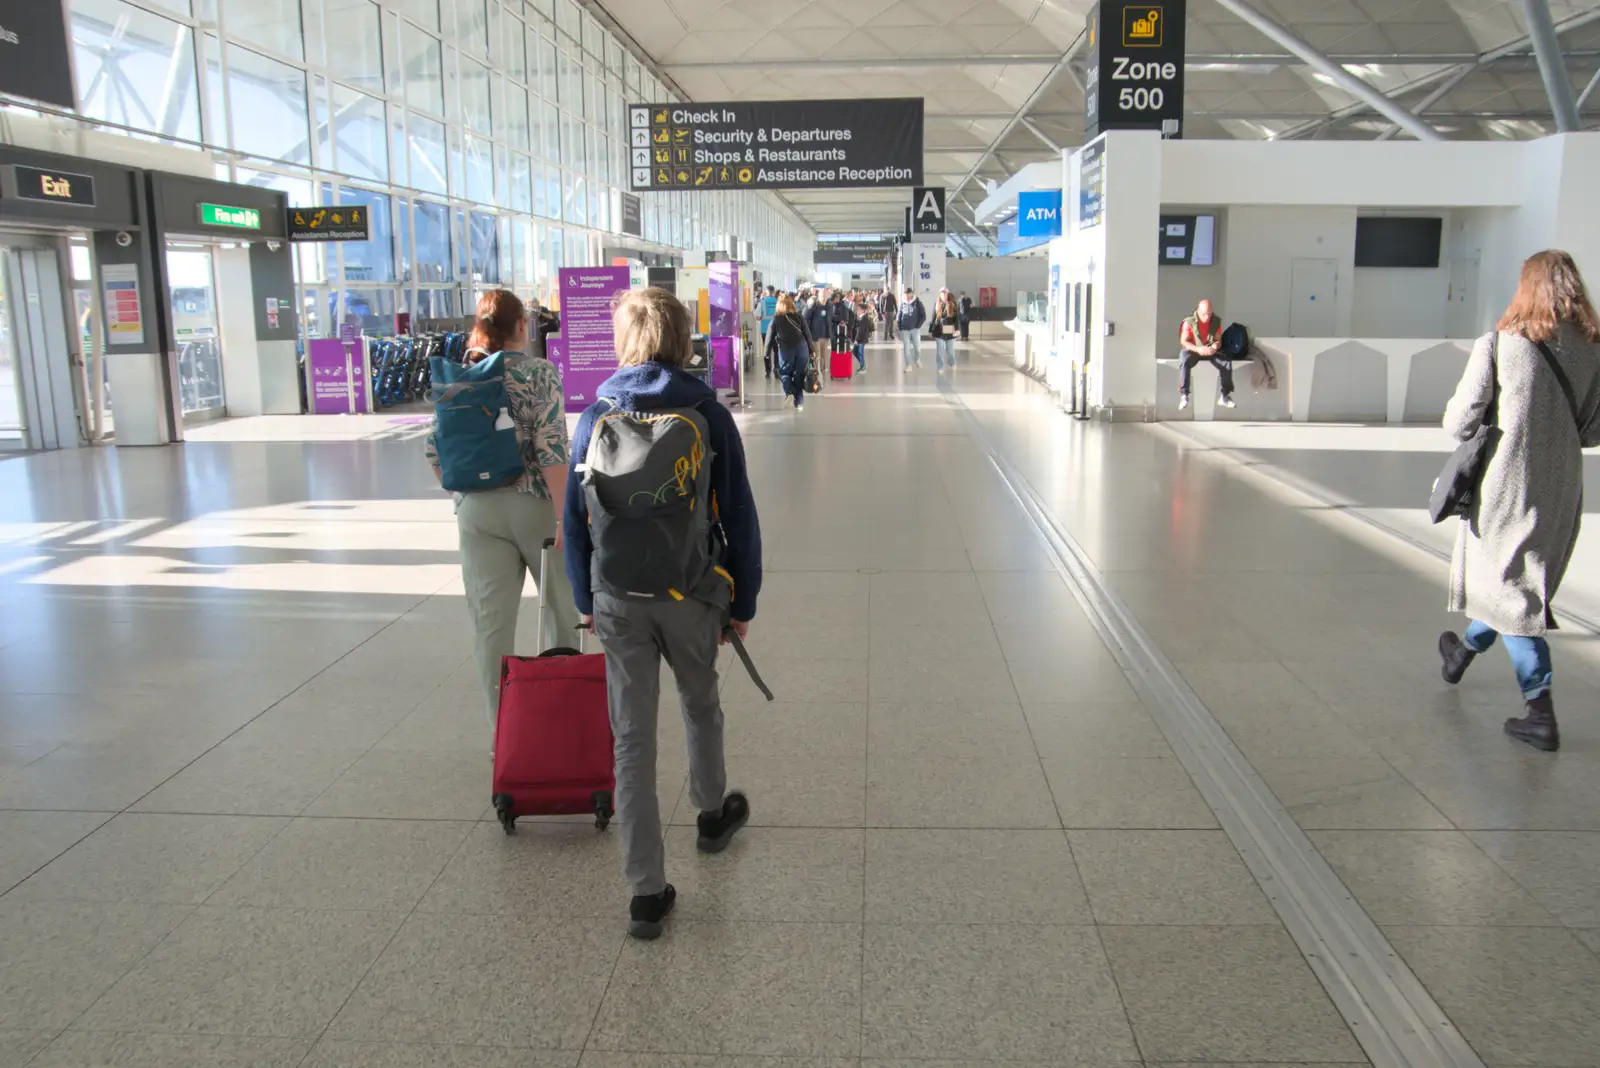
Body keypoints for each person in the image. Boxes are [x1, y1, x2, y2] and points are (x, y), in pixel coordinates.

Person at [564, 287, 762, 938]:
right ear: (683, 339)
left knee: (633, 740)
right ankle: (710, 813)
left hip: (619, 596)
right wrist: (744, 600)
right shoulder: (707, 413)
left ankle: (645, 891)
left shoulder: (596, 417)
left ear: (624, 339)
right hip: (691, 593)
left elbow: (575, 521)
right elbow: (738, 514)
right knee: (700, 704)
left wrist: (585, 600)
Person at [1437, 250, 1600, 752]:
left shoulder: (1501, 342)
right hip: (1561, 485)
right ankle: (1461, 653)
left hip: (1507, 483)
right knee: (1515, 580)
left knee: (1512, 589)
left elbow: (1460, 423)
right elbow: (1592, 431)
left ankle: (1540, 711)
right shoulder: (1594, 350)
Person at [424, 288, 578, 737]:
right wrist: (564, 513)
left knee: (490, 624)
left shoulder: (462, 374)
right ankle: (564, 722)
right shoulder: (538, 372)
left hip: (476, 510)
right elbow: (552, 449)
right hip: (534, 506)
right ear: (522, 327)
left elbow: (433, 450)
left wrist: (468, 493)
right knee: (561, 611)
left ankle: (504, 734)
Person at [1177, 299, 1235, 410]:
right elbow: (1184, 342)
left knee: (1226, 362)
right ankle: (1184, 395)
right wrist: (1198, 349)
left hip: (1209, 349)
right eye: (1204, 314)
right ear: (1198, 311)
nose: (1207, 317)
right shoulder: (1189, 322)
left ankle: (1225, 396)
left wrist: (1214, 346)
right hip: (1194, 350)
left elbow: (1218, 341)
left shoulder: (1216, 321)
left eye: (1210, 314)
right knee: (1184, 358)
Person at [764, 292, 813, 410]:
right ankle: (799, 401)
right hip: (802, 348)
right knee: (800, 374)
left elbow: (769, 337)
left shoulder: (776, 319)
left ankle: (790, 392)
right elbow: (807, 334)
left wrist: (766, 353)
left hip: (786, 350)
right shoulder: (799, 316)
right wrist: (812, 350)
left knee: (785, 373)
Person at [931, 290, 960, 373]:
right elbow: (933, 318)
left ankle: (952, 362)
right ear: (940, 295)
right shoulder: (936, 305)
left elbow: (956, 319)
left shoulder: (952, 305)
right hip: (939, 331)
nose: (943, 296)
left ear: (947, 295)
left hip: (949, 329)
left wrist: (957, 329)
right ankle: (940, 367)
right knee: (940, 351)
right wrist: (931, 330)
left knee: (950, 350)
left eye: (945, 294)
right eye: (942, 295)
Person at [897, 287, 926, 370]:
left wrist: (918, 326)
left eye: (907, 294)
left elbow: (923, 315)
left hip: (915, 329)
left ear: (911, 294)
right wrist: (900, 327)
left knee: (917, 348)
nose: (906, 296)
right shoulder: (902, 303)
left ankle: (917, 359)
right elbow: (899, 315)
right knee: (906, 348)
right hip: (905, 329)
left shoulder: (917, 302)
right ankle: (908, 365)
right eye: (905, 294)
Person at [804, 290, 832, 374]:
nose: (823, 298)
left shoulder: (829, 305)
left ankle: (822, 371)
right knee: (817, 356)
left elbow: (830, 318)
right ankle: (816, 372)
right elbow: (804, 317)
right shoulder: (813, 305)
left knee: (824, 356)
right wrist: (809, 306)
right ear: (818, 297)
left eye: (825, 296)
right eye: (822, 296)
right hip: (815, 335)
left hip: (825, 335)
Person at [757, 285, 778, 379]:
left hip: (765, 330)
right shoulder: (778, 302)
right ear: (773, 292)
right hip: (777, 330)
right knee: (777, 350)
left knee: (767, 351)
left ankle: (768, 371)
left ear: (766, 292)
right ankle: (777, 369)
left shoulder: (762, 303)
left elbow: (757, 317)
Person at [851, 299, 874, 372]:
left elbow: (860, 330)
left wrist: (856, 340)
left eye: (858, 309)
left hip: (862, 339)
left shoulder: (864, 318)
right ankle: (863, 363)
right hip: (858, 338)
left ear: (863, 310)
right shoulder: (859, 317)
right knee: (855, 351)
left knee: (860, 352)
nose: (857, 311)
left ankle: (862, 366)